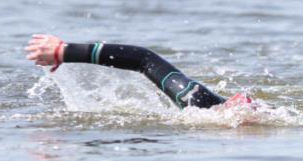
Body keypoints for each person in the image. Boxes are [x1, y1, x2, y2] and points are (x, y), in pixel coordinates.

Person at [25, 34, 252, 110]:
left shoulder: (200, 105)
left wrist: (65, 51)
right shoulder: (199, 103)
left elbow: (145, 60)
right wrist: (66, 51)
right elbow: (144, 60)